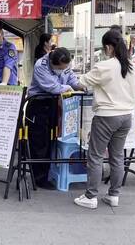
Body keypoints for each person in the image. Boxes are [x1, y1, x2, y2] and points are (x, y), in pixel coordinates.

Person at [73, 30, 135, 209]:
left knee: (95, 156)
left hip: (106, 116)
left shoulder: (105, 66)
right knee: (117, 156)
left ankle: (91, 196)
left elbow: (82, 83)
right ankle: (113, 195)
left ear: (108, 47)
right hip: (126, 116)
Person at [26, 47, 84, 190]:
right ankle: (39, 178)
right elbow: (53, 87)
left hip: (53, 104)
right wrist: (69, 88)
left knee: (53, 140)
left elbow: (72, 79)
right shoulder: (41, 65)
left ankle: (49, 172)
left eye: (64, 68)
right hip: (38, 104)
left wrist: (81, 86)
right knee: (40, 143)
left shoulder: (64, 64)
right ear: (52, 62)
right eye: (59, 68)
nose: (62, 70)